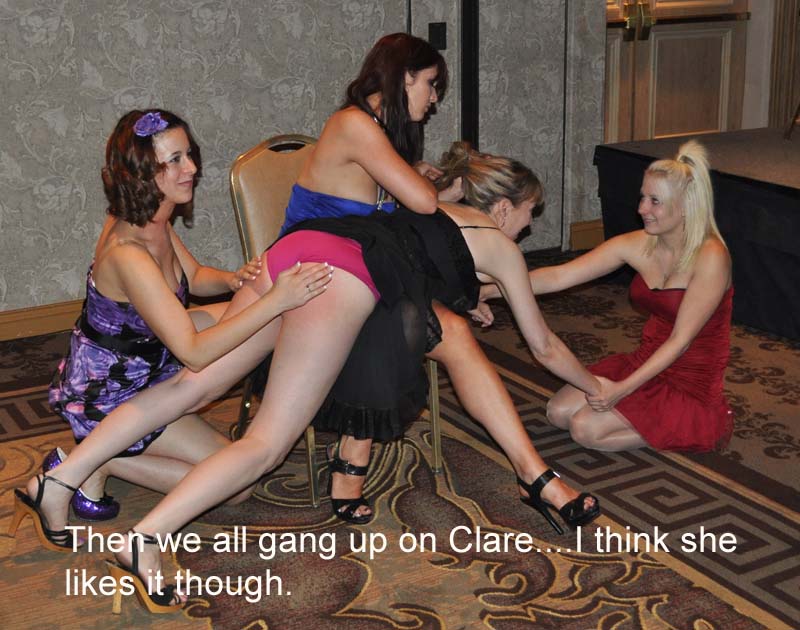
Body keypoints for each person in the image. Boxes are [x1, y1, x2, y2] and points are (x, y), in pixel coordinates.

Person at [14, 35, 601, 614]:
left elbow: (412, 229)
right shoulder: (475, 229)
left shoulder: (398, 172)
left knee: (196, 388)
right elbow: (531, 312)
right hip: (332, 276)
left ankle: (66, 478)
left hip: (296, 254)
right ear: (501, 209)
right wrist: (595, 378)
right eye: (429, 85)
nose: (434, 99)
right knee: (266, 444)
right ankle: (146, 538)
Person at [10, 109, 332, 550]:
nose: (192, 168)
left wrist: (235, 280)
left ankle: (95, 461)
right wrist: (276, 299)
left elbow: (193, 277)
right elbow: (194, 353)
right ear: (143, 174)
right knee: (238, 486)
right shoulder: (129, 252)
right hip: (114, 394)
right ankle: (92, 462)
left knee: (243, 313)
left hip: (146, 359)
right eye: (175, 160)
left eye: (189, 154)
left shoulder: (152, 219)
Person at [486, 140, 733, 452]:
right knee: (558, 412)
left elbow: (679, 341)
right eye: (642, 197)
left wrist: (622, 389)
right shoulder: (640, 243)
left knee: (585, 429)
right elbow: (560, 276)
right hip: (647, 358)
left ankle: (694, 426)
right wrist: (489, 290)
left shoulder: (711, 257)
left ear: (685, 206)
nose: (642, 209)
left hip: (690, 377)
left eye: (655, 201)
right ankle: (655, 421)